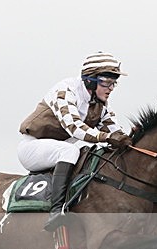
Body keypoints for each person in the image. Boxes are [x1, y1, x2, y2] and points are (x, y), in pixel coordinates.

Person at [18, 51, 133, 231]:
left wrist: (128, 139)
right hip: (32, 148)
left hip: (58, 150)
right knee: (71, 151)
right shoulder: (65, 91)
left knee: (86, 154)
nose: (110, 88)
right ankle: (56, 211)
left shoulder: (101, 105)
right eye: (106, 82)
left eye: (113, 83)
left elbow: (114, 131)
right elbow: (75, 128)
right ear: (90, 80)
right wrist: (107, 137)